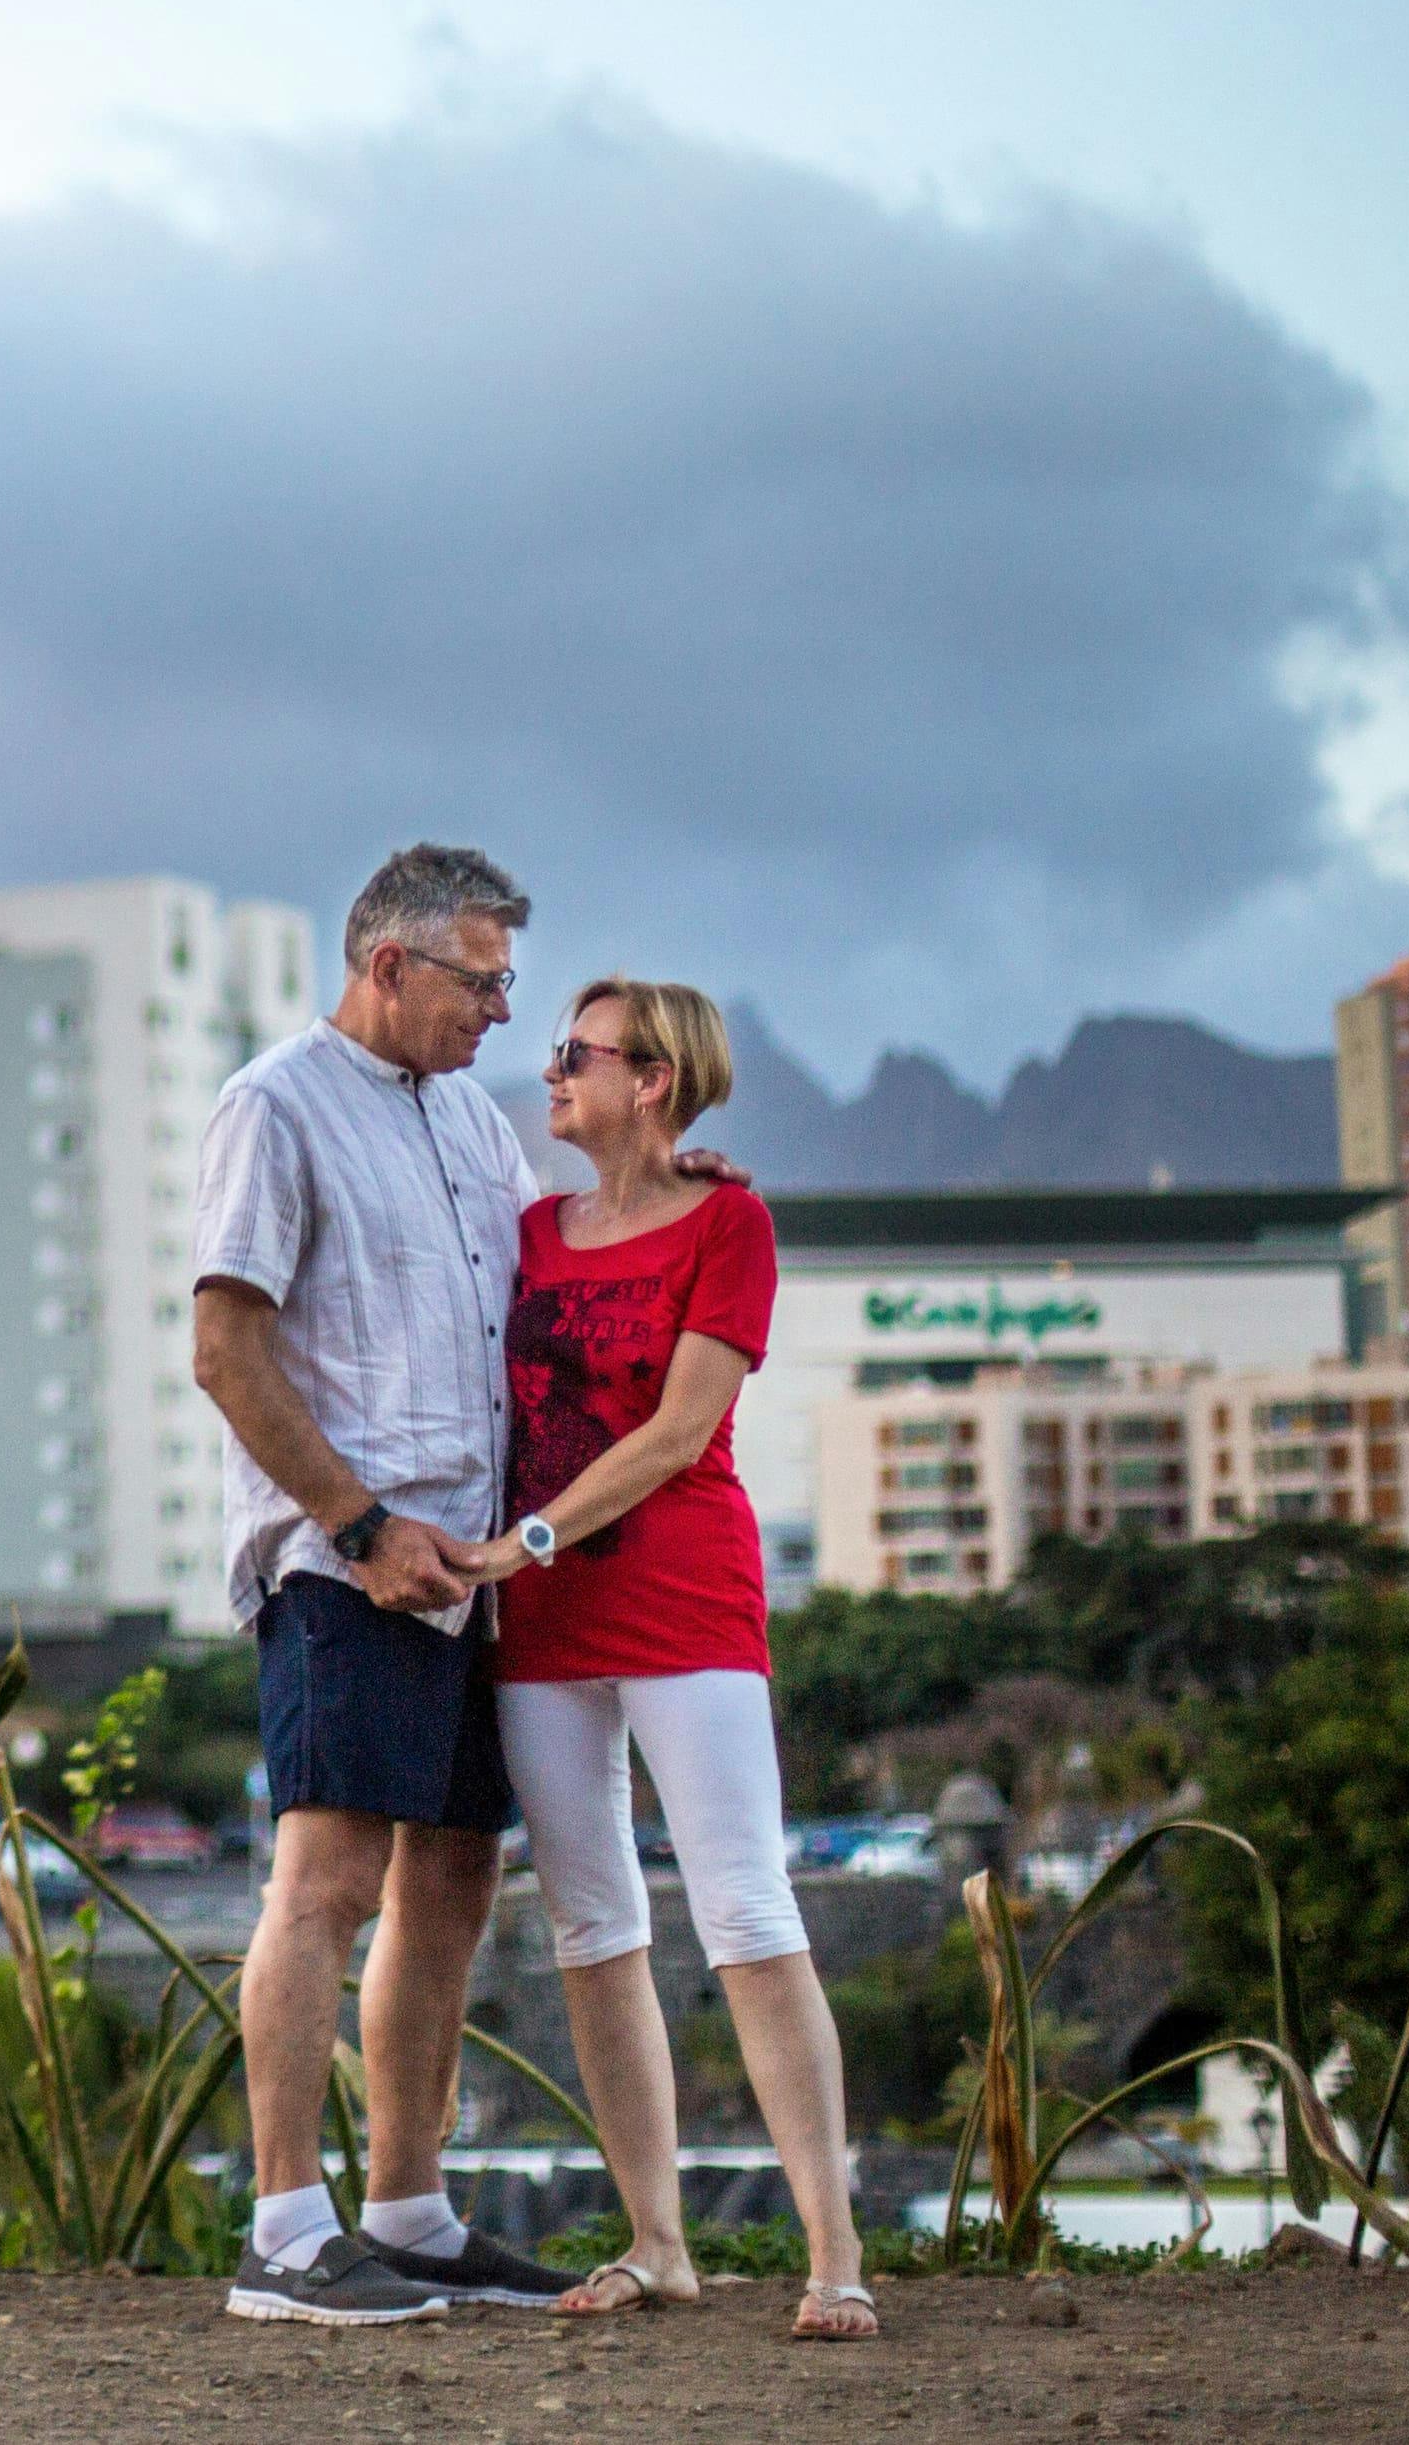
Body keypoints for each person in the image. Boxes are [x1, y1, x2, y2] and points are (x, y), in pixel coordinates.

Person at [449, 976, 876, 2344]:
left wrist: (531, 1533)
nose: (549, 1067)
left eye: (576, 1052)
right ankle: (658, 2243)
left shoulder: (730, 1220)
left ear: (654, 1080)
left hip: (682, 1599)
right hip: (546, 1625)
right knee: (592, 1930)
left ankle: (835, 2257)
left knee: (748, 1914)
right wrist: (522, 1555)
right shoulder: (525, 1233)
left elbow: (687, 1427)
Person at [195, 843, 586, 2325]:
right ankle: (287, 2232)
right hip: (345, 1568)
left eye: (509, 983)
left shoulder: (477, 1129)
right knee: (331, 1878)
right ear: (387, 964)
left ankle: (408, 2213)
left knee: (455, 1877)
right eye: (481, 979)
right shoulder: (274, 1104)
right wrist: (359, 1529)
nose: (500, 1010)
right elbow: (226, 1348)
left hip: (477, 1563)